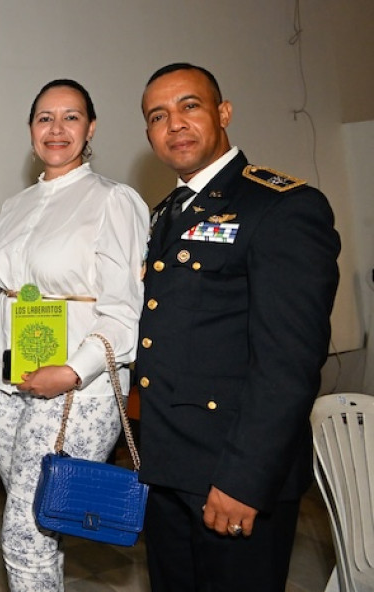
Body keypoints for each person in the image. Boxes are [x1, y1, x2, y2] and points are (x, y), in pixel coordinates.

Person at [136, 63, 341, 592]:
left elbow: (289, 363)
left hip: (231, 472)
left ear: (223, 113)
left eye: (190, 106)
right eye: (158, 115)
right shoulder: (169, 212)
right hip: (169, 469)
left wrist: (244, 480)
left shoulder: (282, 207)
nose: (174, 123)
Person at [0, 79, 149, 591]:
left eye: (71, 117)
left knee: (25, 533)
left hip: (76, 388)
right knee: (41, 522)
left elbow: (124, 311)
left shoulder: (114, 200)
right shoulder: (14, 206)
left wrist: (70, 372)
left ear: (90, 128)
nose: (57, 128)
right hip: (3, 382)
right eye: (45, 117)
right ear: (30, 129)